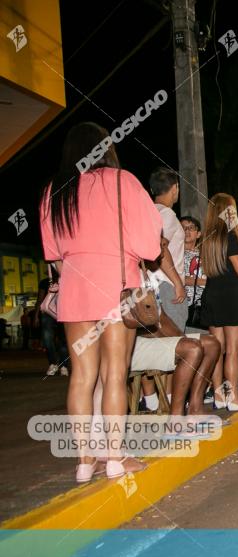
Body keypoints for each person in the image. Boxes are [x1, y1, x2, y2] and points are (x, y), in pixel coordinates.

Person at [40, 122, 161, 482]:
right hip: (117, 287)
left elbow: (54, 253)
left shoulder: (54, 190)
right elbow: (150, 246)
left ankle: (83, 461)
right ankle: (115, 457)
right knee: (114, 375)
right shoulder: (123, 181)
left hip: (76, 288)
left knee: (81, 376)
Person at [199, 193, 238, 411]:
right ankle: (233, 397)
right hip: (230, 297)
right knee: (233, 350)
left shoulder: (208, 238)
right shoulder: (231, 237)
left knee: (217, 349)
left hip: (212, 294)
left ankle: (219, 396)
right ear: (228, 211)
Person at [147, 168, 187, 332]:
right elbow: (160, 247)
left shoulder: (147, 212)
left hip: (151, 284)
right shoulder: (167, 214)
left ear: (152, 189)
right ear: (175, 188)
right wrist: (177, 283)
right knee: (176, 343)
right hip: (167, 284)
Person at [36, 267, 69, 376]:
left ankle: (63, 365)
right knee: (47, 338)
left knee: (64, 340)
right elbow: (40, 299)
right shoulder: (45, 282)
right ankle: (53, 363)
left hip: (64, 311)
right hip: (48, 313)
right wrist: (36, 315)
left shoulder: (68, 281)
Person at [180, 216, 206, 328]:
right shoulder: (172, 254)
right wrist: (204, 282)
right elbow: (179, 278)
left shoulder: (206, 255)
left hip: (202, 308)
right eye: (183, 228)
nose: (187, 231)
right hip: (179, 306)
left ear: (199, 234)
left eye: (191, 228)